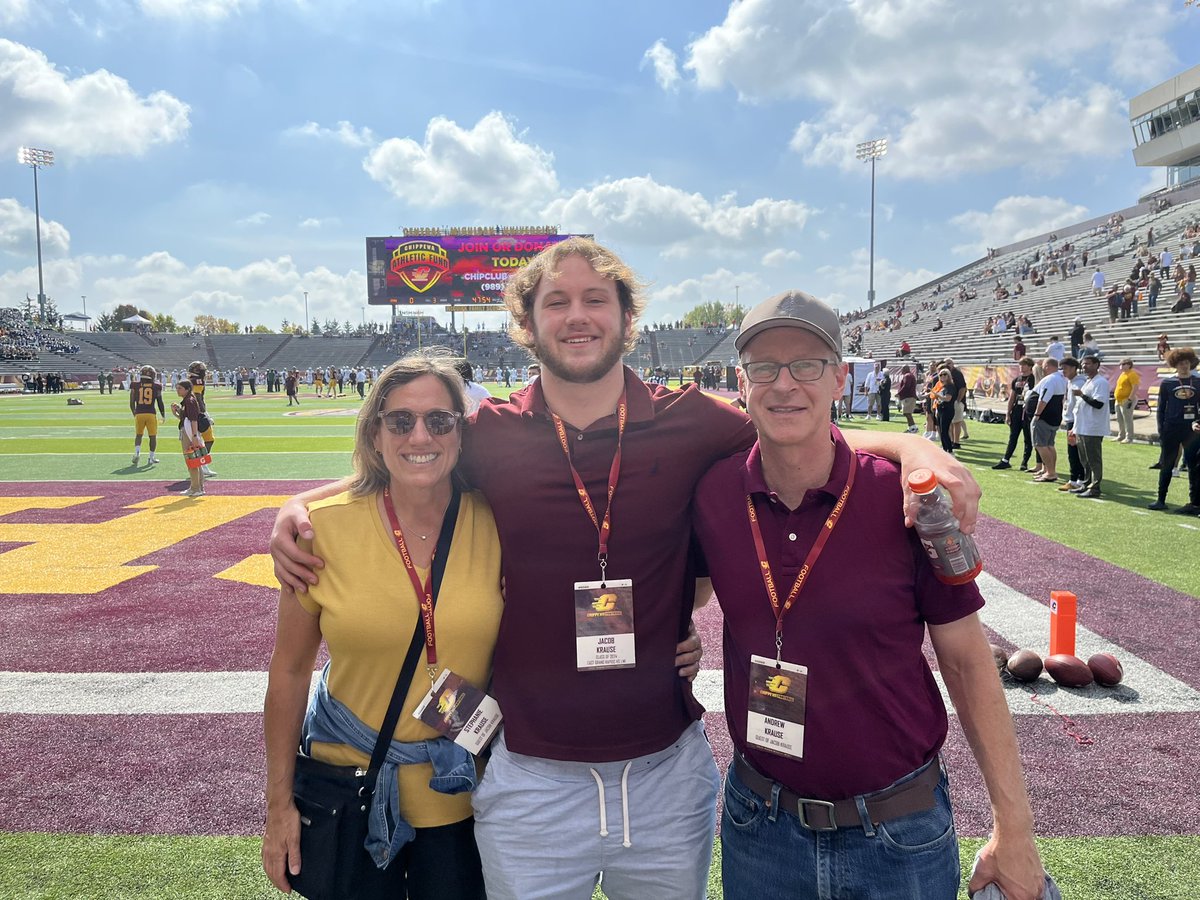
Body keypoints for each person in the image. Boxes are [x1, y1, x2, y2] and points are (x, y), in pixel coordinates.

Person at [269, 238, 981, 900]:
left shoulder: (694, 419)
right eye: (556, 301)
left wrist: (909, 447)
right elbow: (409, 463)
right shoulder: (491, 433)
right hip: (530, 773)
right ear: (526, 322)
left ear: (627, 317)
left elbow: (795, 428)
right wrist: (299, 504)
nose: (576, 316)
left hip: (665, 770)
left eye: (594, 299)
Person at [693, 291, 1044, 900]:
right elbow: (681, 587)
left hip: (896, 831)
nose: (785, 384)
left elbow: (965, 661)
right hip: (760, 826)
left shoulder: (907, 501)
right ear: (741, 380)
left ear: (839, 376)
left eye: (805, 364)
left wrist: (1014, 826)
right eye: (765, 367)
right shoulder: (714, 493)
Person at [262, 354, 502, 899]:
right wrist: (278, 806)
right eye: (400, 421)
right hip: (351, 790)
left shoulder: (498, 521)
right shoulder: (318, 532)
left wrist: (675, 629)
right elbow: (291, 670)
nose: (420, 434)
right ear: (375, 433)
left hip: (469, 794)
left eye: (439, 421)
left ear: (461, 434)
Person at [1146, 347, 1200, 515]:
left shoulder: (1198, 382)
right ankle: (1161, 499)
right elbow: (1161, 409)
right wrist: (1162, 430)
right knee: (1167, 464)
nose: (1184, 365)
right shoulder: (1167, 383)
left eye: (1186, 362)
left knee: (1194, 466)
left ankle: (1195, 503)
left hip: (1192, 430)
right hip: (1171, 428)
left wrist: (1198, 421)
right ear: (1174, 365)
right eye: (1181, 363)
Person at [1070, 354, 1110, 498]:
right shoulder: (1088, 381)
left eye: (1088, 364)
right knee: (1084, 459)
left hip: (1093, 427)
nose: (1084, 366)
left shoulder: (1100, 382)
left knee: (1093, 458)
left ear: (1096, 365)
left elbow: (1098, 404)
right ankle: (1086, 483)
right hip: (1083, 426)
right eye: (1083, 364)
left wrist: (1081, 395)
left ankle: (1095, 487)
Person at [992, 357, 1037, 471]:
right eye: (1020, 365)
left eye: (1024, 365)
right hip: (1017, 411)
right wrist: (1008, 413)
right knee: (1013, 437)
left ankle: (1024, 462)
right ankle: (1006, 460)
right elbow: (1012, 396)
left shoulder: (1034, 379)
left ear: (1030, 366)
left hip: (1028, 412)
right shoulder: (1017, 379)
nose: (1021, 367)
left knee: (1028, 438)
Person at [1030, 358, 1067, 482]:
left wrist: (1037, 414)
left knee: (1041, 445)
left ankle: (1050, 472)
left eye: (1045, 366)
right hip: (1054, 415)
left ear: (1048, 366)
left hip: (1045, 417)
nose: (1043, 369)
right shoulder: (1061, 378)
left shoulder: (1050, 379)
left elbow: (1044, 398)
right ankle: (1049, 470)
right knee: (1050, 445)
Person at [1056, 358, 1086, 492]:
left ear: (1074, 368)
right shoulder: (1070, 382)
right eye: (1062, 368)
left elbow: (1079, 405)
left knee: (1074, 452)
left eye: (1066, 368)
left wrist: (1075, 425)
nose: (1064, 371)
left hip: (1075, 421)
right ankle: (1078, 479)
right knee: (1073, 451)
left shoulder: (1078, 383)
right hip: (1071, 420)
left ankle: (1076, 479)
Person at [173, 377, 206, 498]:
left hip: (189, 433)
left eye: (180, 388)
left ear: (187, 389)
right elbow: (185, 419)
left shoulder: (190, 401)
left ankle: (196, 487)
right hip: (189, 431)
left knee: (191, 460)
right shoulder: (188, 400)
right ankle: (197, 487)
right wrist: (176, 412)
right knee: (195, 460)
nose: (178, 390)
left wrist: (195, 436)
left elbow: (193, 420)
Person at [129, 365, 165, 467]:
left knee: (138, 435)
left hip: (139, 413)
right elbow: (160, 401)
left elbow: (131, 401)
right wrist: (163, 414)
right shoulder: (156, 386)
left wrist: (134, 413)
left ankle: (137, 453)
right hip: (151, 413)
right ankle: (151, 457)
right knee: (152, 436)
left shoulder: (135, 385)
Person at [188, 361, 217, 478]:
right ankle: (202, 465)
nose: (204, 372)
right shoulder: (197, 381)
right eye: (202, 370)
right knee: (209, 440)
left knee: (197, 442)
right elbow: (198, 399)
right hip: (198, 414)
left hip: (189, 414)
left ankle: (199, 466)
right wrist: (206, 414)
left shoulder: (189, 379)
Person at [1113, 359, 1139, 443]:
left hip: (1127, 399)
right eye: (1120, 364)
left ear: (1129, 365)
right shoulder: (1123, 374)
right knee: (1119, 418)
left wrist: (1130, 399)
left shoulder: (1132, 374)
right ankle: (1121, 435)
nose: (1121, 366)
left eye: (1124, 364)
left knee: (1127, 419)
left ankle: (1129, 437)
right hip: (1118, 400)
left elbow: (1135, 387)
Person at [896, 363, 918, 432]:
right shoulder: (910, 375)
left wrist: (899, 393)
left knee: (907, 413)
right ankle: (910, 427)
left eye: (902, 369)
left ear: (905, 369)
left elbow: (906, 386)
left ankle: (913, 427)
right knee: (906, 413)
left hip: (909, 397)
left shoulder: (907, 376)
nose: (901, 370)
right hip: (909, 396)